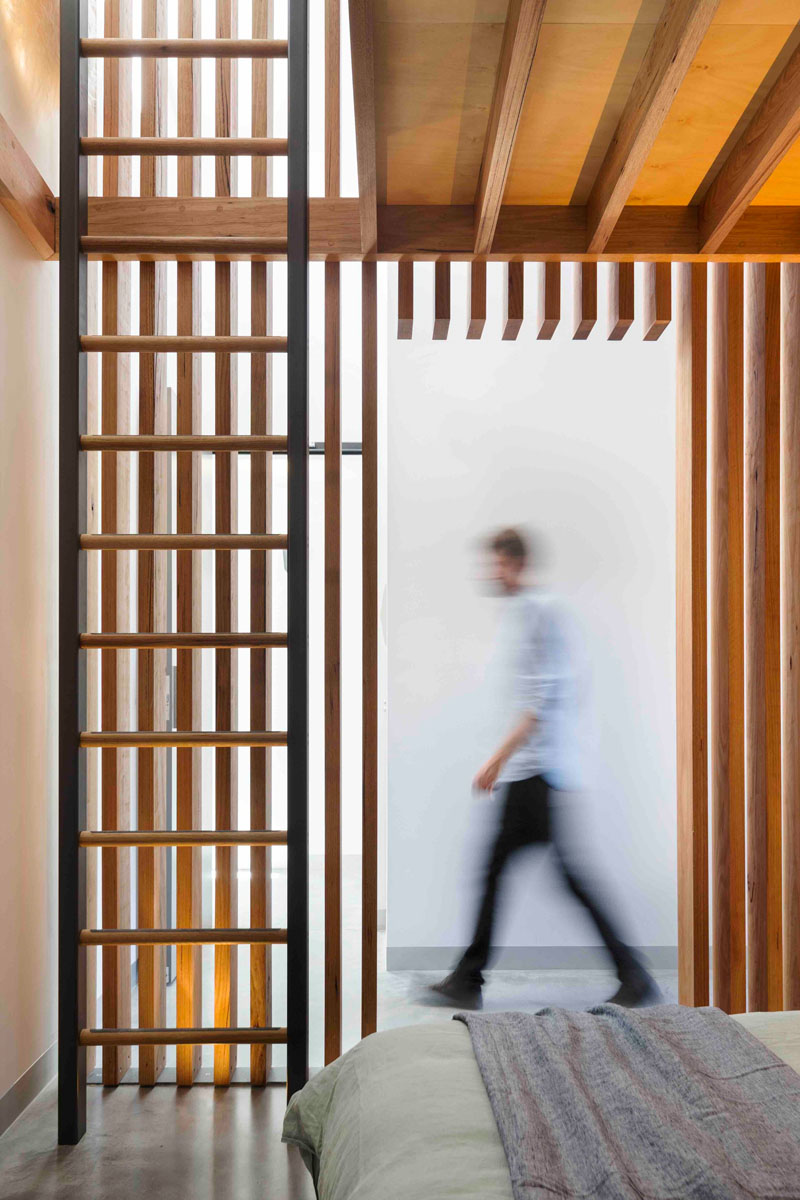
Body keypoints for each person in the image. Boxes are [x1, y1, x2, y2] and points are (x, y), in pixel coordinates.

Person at [430, 526, 659, 1011]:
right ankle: (631, 975)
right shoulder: (525, 613)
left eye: (496, 563)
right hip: (537, 771)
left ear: (515, 563)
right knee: (543, 874)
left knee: (504, 871)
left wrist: (497, 759)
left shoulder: (537, 612)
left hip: (534, 772)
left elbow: (540, 700)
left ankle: (469, 980)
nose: (491, 572)